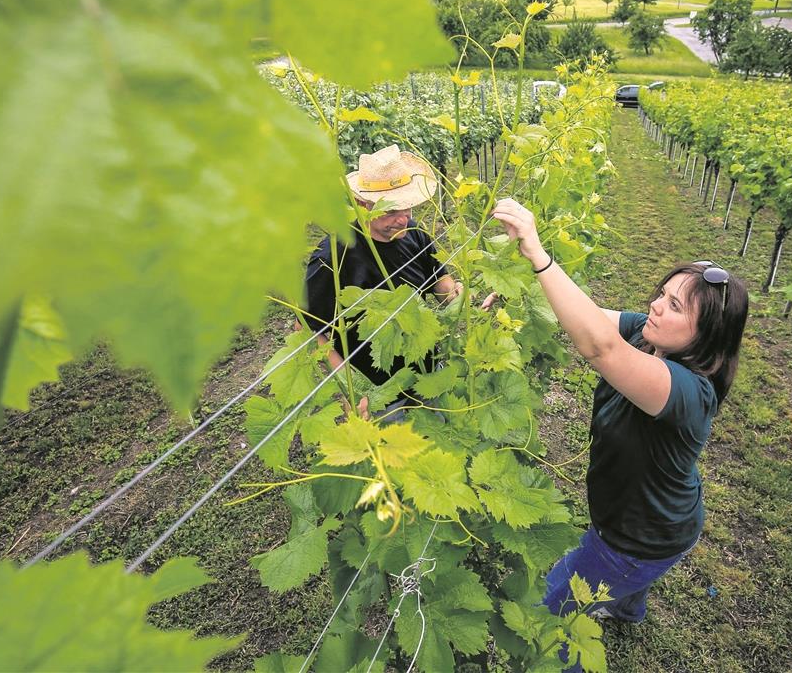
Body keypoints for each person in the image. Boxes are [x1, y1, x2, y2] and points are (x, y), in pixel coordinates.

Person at [492, 198, 749, 657]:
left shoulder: (689, 393)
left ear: (705, 333)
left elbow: (599, 348)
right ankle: (628, 608)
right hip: (657, 518)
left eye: (674, 306)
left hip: (636, 538)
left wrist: (538, 254)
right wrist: (515, 294)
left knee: (549, 620)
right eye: (662, 293)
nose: (654, 305)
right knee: (627, 584)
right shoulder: (646, 335)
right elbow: (580, 321)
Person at [303, 145, 461, 389]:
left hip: (429, 373)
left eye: (406, 206)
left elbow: (440, 282)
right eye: (390, 210)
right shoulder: (333, 255)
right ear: (362, 204)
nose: (403, 219)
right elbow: (308, 329)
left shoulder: (414, 232)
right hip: (378, 389)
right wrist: (353, 387)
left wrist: (459, 298)